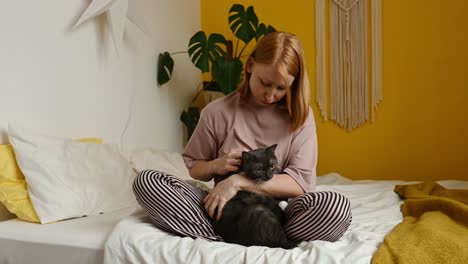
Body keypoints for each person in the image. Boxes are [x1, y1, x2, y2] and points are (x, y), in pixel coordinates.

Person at [133, 31, 352, 243]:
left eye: (281, 88)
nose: (270, 95)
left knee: (336, 208)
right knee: (148, 181)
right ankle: (223, 232)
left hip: (280, 215)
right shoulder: (216, 112)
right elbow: (194, 167)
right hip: (224, 212)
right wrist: (216, 166)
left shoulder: (300, 117)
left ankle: (271, 235)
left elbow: (300, 183)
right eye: (265, 83)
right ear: (250, 66)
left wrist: (237, 181)